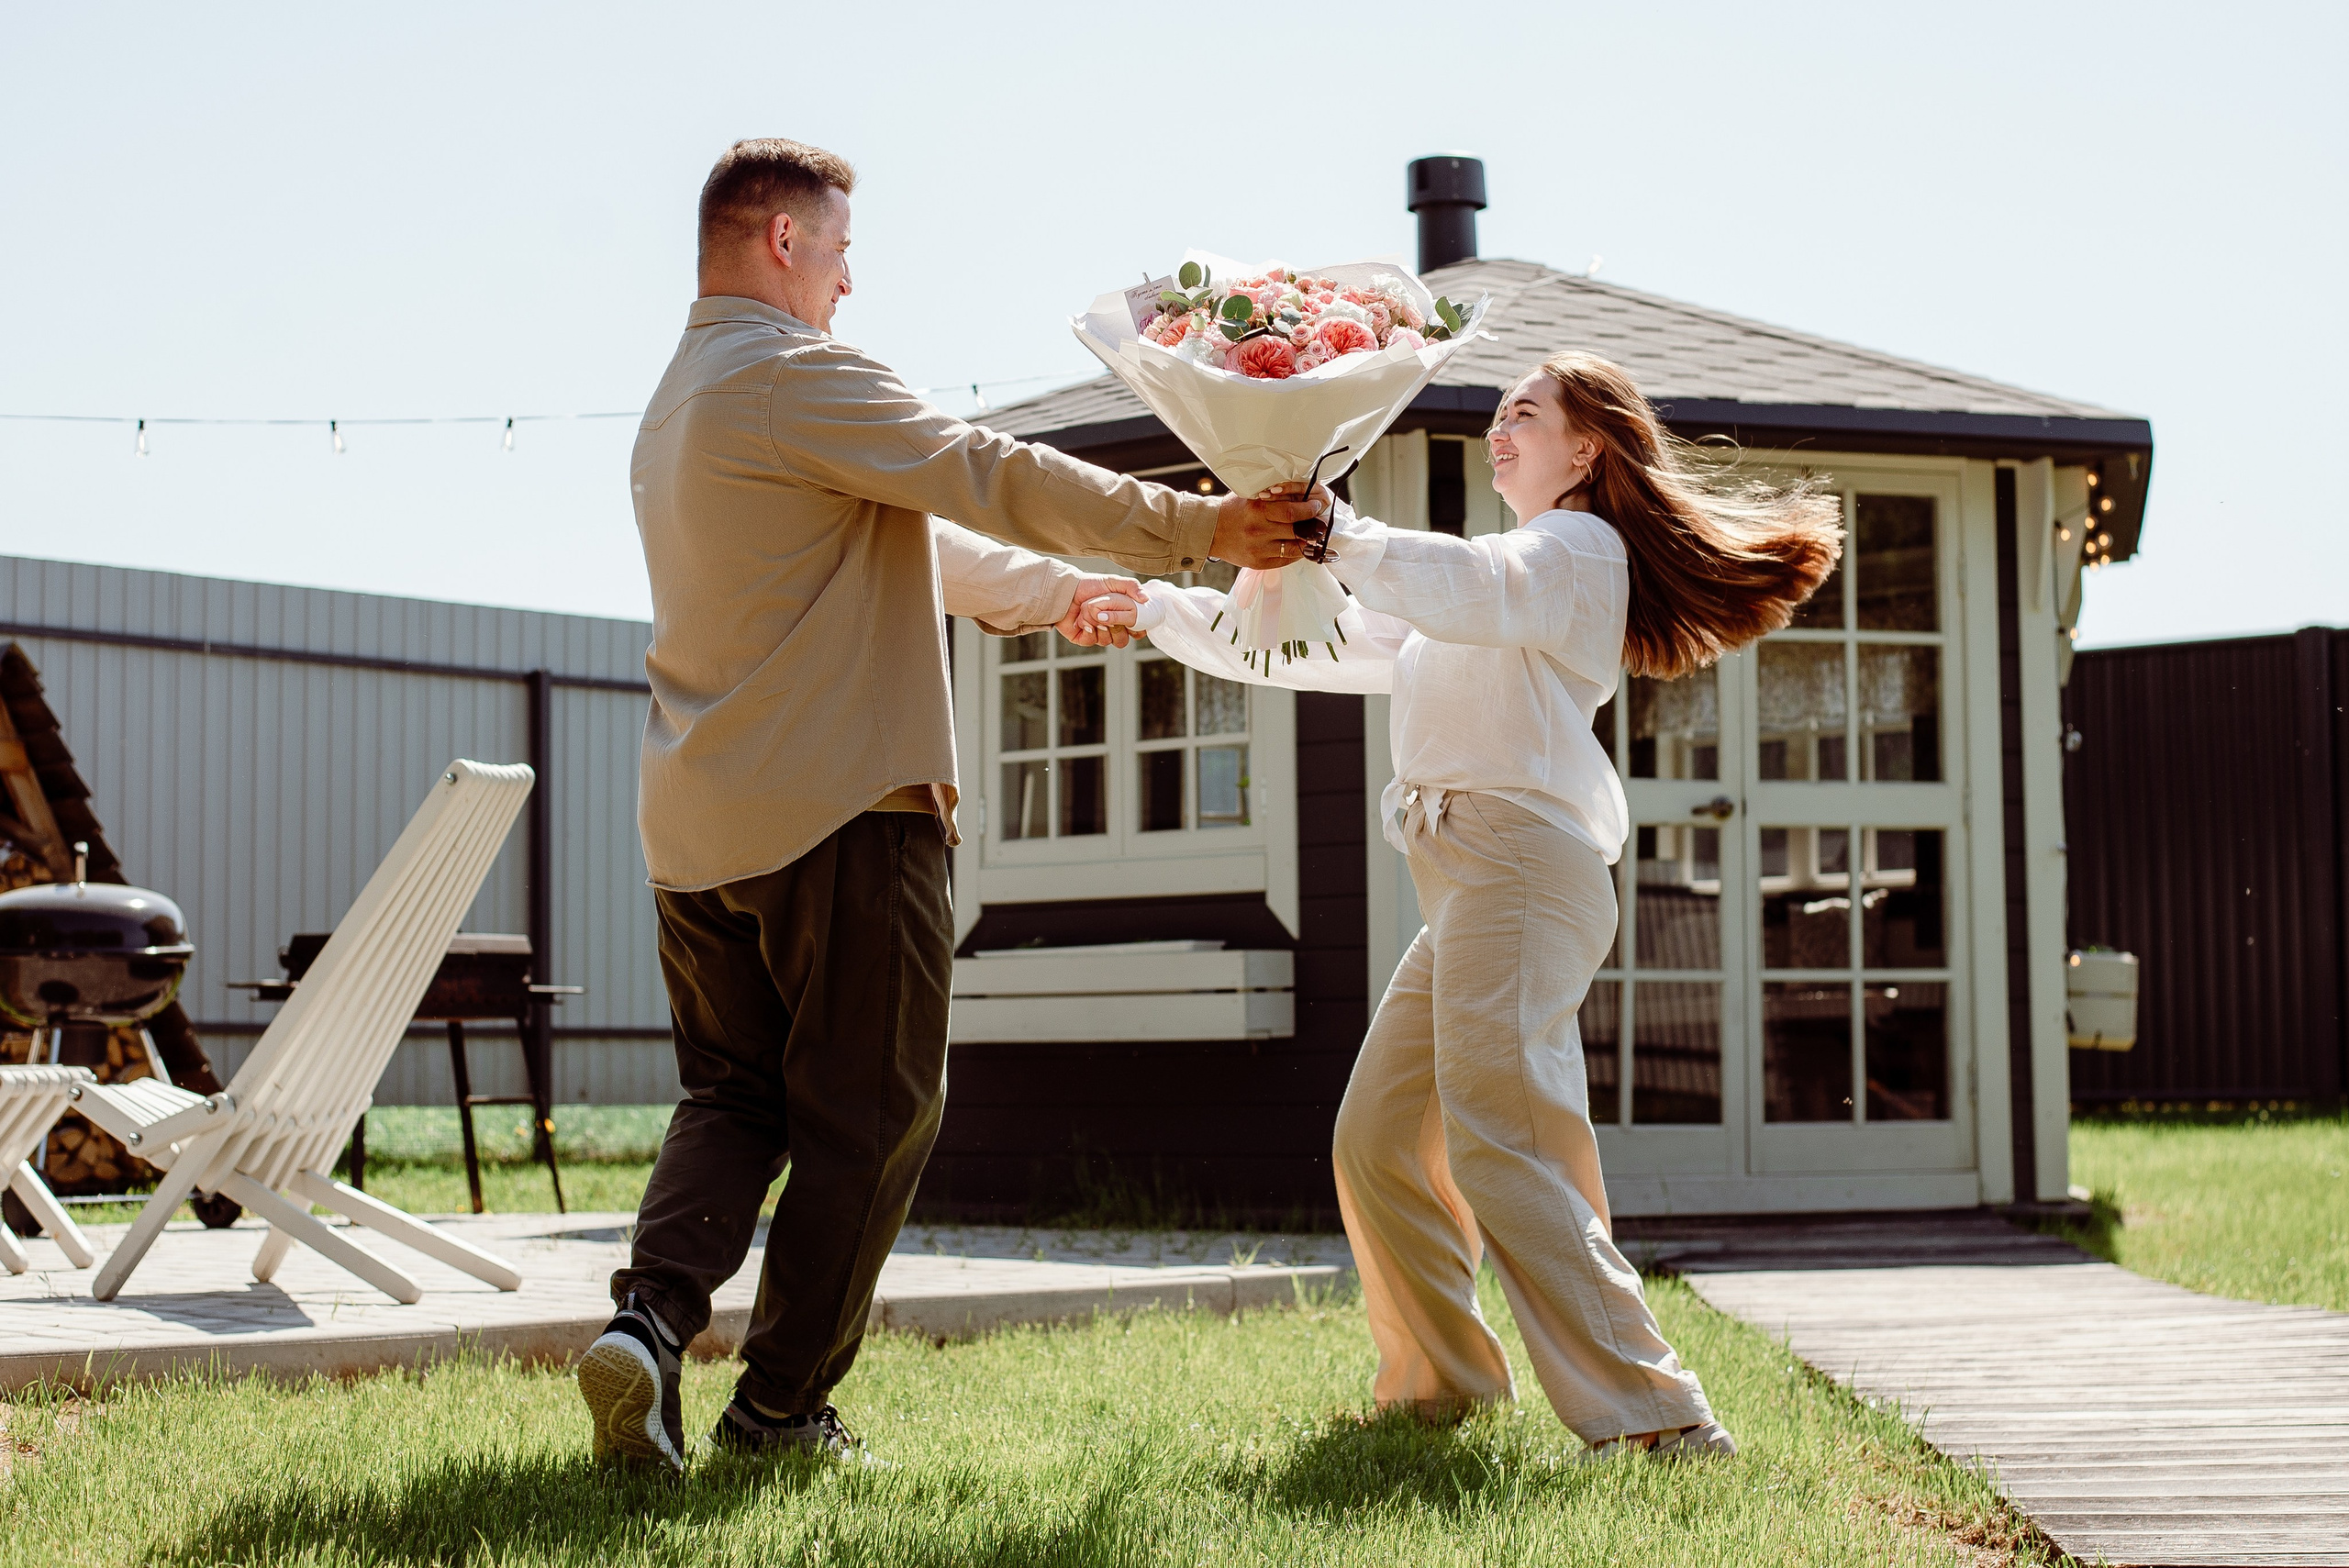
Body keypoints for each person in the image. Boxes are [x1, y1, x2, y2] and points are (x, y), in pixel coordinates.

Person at [577, 137, 1328, 1473]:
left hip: (696, 826)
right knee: (875, 1115)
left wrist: (1062, 595)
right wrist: (1197, 527)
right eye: (841, 251)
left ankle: (647, 1324)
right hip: (839, 810)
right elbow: (984, 469)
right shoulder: (795, 374)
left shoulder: (677, 404)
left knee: (733, 1100)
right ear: (783, 240)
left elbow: (908, 539)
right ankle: (778, 1412)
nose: (849, 283)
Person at [1108, 352, 1840, 1456]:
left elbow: (1469, 580)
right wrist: (1161, 608)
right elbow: (1334, 639)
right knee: (1379, 1137)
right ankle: (1441, 1388)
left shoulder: (1573, 550)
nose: (1500, 428)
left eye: (1524, 414)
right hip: (1468, 876)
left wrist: (1338, 533)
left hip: (1519, 866)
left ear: (1586, 448)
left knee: (1506, 1143)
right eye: (1496, 413)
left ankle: (1660, 1415)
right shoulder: (1498, 579)